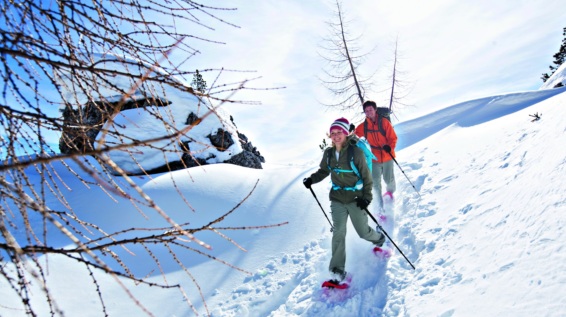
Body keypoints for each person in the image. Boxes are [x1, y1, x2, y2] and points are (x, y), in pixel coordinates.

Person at [303, 117, 385, 283]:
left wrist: (366, 198)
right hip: (337, 198)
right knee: (339, 232)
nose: (335, 136)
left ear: (346, 133)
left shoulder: (356, 152)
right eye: (333, 133)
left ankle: (379, 238)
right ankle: (337, 271)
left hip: (356, 198)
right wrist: (311, 179)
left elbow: (367, 177)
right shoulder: (329, 153)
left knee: (363, 232)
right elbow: (323, 171)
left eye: (339, 132)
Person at [354, 100, 398, 209]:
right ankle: (380, 207)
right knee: (375, 183)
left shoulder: (384, 122)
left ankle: (390, 193)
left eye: (370, 109)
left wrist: (390, 147)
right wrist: (349, 131)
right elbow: (354, 136)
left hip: (387, 155)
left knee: (389, 179)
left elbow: (393, 138)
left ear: (375, 110)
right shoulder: (363, 126)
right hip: (373, 158)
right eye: (366, 111)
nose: (369, 112)